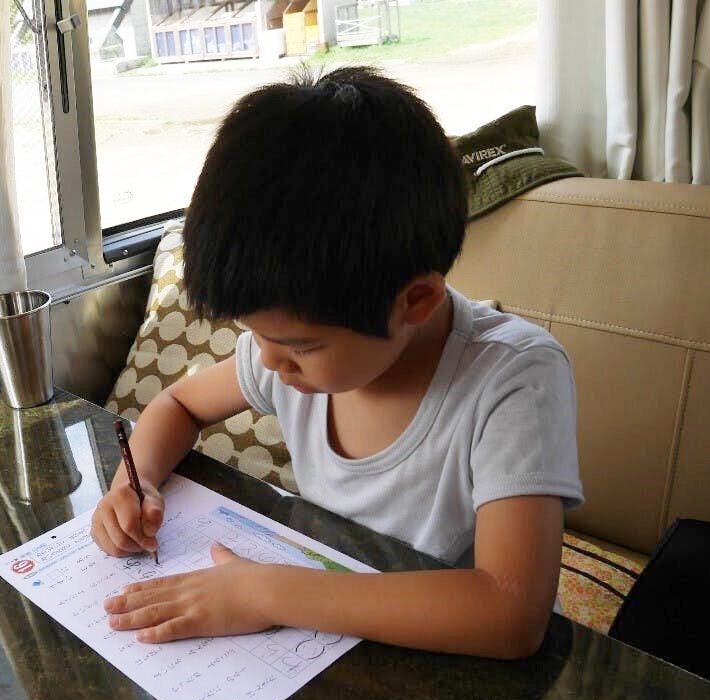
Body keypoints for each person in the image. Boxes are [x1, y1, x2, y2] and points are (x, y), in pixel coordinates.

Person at [90, 66, 583, 660]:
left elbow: (510, 615)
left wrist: (266, 594)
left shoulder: (513, 378)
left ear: (415, 302)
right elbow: (179, 404)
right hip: (333, 634)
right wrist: (134, 483)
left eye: (299, 346)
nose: (269, 361)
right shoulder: (289, 354)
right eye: (255, 335)